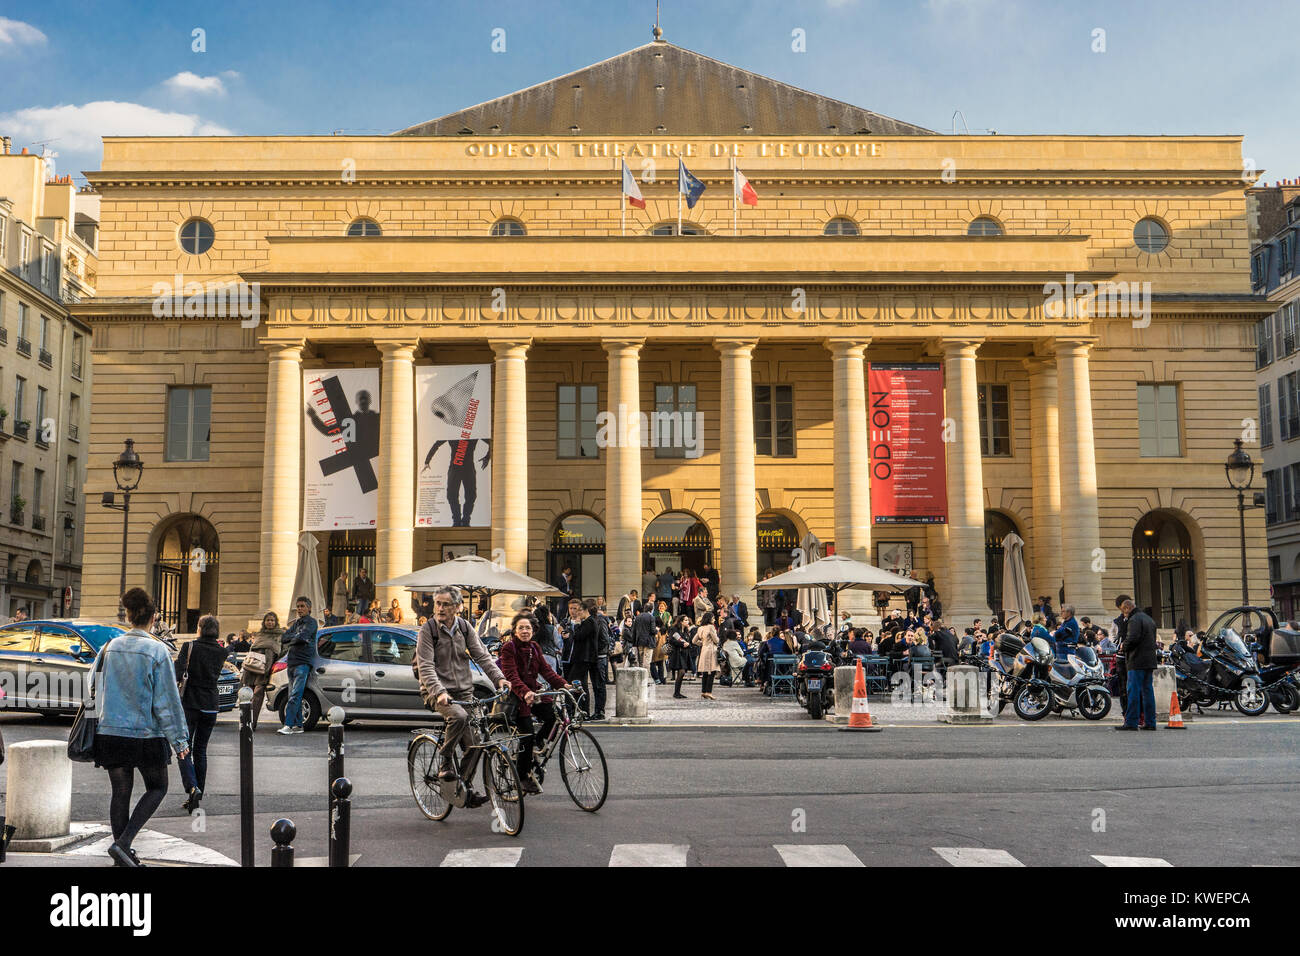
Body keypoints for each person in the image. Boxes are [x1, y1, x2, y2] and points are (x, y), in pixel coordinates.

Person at [91, 587, 191, 867]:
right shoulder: (157, 650)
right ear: (154, 618)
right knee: (157, 787)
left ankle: (121, 860)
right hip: (146, 734)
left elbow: (92, 685)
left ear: (128, 615)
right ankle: (123, 844)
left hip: (110, 731)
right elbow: (167, 703)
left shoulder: (109, 647)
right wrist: (180, 742)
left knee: (120, 793)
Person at [415, 586, 511, 800]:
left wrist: (499, 678)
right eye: (437, 603)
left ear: (458, 607)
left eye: (445, 604)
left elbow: (483, 656)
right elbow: (426, 666)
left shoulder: (465, 628)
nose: (439, 608)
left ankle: (463, 789)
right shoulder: (428, 630)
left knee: (476, 745)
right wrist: (439, 692)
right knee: (458, 716)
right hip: (437, 692)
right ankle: (445, 759)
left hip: (464, 692)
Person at [498, 613, 573, 794]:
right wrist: (525, 692)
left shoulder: (534, 647)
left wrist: (564, 685)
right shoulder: (509, 648)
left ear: (533, 630)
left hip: (534, 693)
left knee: (555, 716)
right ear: (515, 630)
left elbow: (546, 671)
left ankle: (538, 744)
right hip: (518, 697)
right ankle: (522, 775)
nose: (525, 631)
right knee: (527, 736)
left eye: (528, 628)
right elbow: (511, 675)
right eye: (521, 628)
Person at [174, 614, 227, 812]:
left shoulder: (190, 647)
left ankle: (192, 787)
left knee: (183, 747)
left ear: (200, 628)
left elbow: (177, 673)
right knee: (201, 750)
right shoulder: (221, 652)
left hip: (191, 704)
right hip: (211, 705)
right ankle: (198, 793)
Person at [277, 597, 319, 735]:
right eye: (298, 606)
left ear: (309, 608)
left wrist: (294, 637)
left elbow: (303, 637)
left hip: (302, 662)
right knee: (293, 695)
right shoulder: (297, 623)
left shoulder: (312, 623)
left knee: (295, 695)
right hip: (292, 662)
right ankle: (299, 725)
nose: (299, 609)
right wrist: (296, 636)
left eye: (302, 606)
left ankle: (288, 725)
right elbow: (284, 638)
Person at [1117, 596, 1158, 731]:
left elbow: (1132, 638)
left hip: (1136, 660)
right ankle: (1150, 722)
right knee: (1148, 691)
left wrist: (1124, 646)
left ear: (1128, 608)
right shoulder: (1149, 619)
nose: (1124, 614)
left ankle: (1131, 722)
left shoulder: (1134, 619)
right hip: (1149, 660)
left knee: (1133, 691)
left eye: (1124, 611)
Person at [565, 598, 607, 720]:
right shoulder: (589, 621)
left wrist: (577, 624)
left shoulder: (591, 622)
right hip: (584, 657)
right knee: (582, 684)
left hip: (589, 657)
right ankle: (583, 711)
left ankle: (593, 711)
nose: (576, 613)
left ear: (585, 610)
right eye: (572, 609)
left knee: (593, 685)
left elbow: (579, 636)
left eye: (578, 610)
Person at [242, 611, 283, 731]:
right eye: (268, 620)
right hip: (251, 668)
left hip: (265, 668)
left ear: (276, 622)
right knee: (246, 695)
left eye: (272, 620)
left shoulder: (279, 635)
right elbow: (252, 648)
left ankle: (252, 723)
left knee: (258, 695)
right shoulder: (259, 634)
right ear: (264, 622)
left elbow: (281, 651)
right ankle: (244, 720)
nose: (270, 622)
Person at [694, 611, 720, 700]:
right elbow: (716, 640)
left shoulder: (700, 628)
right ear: (709, 619)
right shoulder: (711, 627)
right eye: (713, 618)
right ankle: (709, 692)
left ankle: (703, 691)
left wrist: (702, 643)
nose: (714, 620)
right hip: (711, 650)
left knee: (705, 672)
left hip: (704, 650)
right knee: (712, 672)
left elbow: (694, 641)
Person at [667, 614, 694, 697]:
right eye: (685, 620)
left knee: (682, 672)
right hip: (676, 653)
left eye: (687, 620)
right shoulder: (674, 629)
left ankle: (677, 692)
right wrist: (682, 644)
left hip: (684, 654)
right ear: (681, 622)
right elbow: (671, 640)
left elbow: (689, 641)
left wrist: (688, 644)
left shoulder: (686, 630)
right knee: (681, 672)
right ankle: (676, 692)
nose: (687, 621)